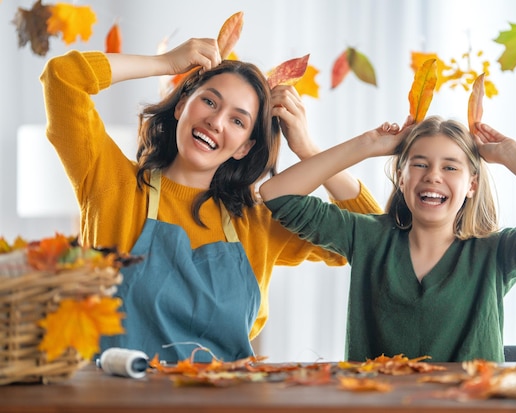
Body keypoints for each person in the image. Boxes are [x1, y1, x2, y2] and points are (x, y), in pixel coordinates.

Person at [39, 38, 382, 362]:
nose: (215, 122)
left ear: (245, 147)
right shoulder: (111, 184)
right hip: (115, 402)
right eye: (209, 101)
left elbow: (372, 239)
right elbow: (62, 77)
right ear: (182, 105)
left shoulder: (258, 224)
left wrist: (309, 150)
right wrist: (166, 62)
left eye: (237, 120)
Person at [259, 115, 516, 362]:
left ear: (472, 185)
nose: (433, 175)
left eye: (451, 167)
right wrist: (368, 145)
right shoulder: (367, 236)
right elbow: (277, 194)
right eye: (420, 164)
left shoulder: (496, 253)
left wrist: (512, 154)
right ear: (401, 178)